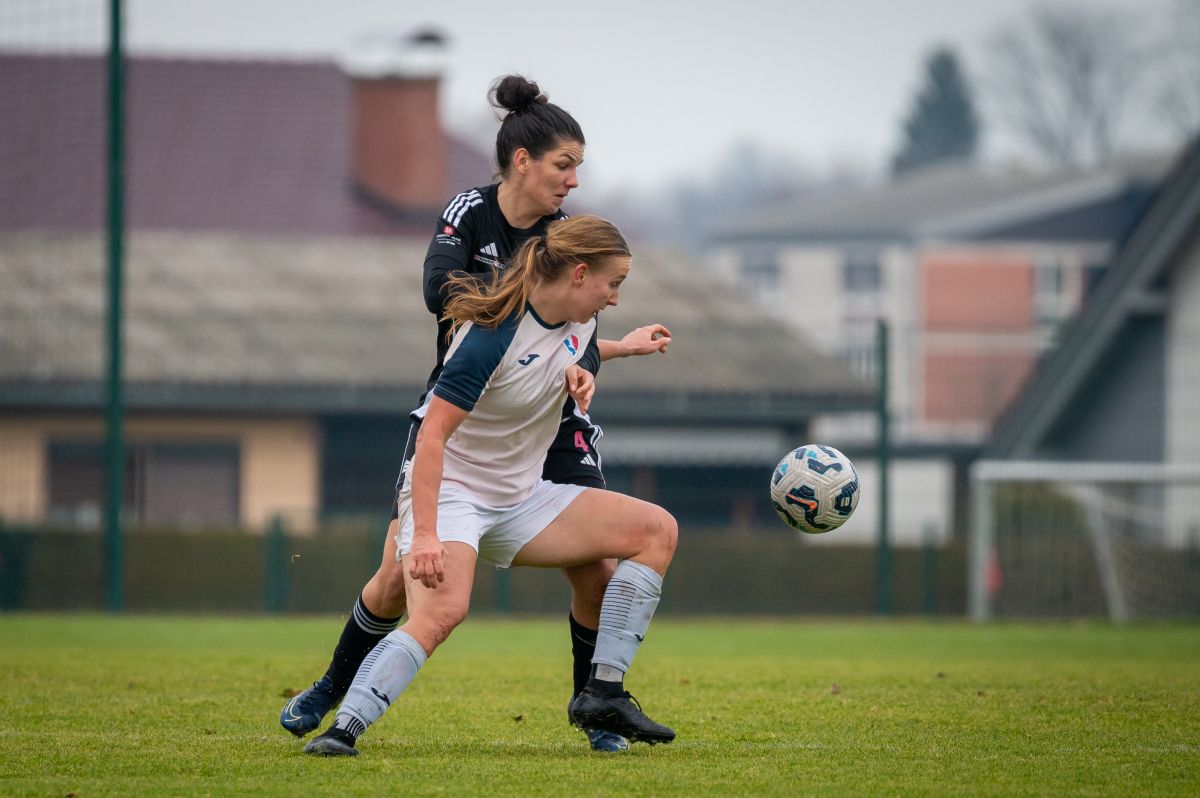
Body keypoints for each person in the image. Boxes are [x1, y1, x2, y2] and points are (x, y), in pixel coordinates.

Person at [280, 75, 671, 753]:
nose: (574, 180)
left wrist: (596, 357)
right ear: (522, 161)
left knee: (601, 568)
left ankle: (598, 706)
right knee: (400, 581)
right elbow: (441, 291)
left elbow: (570, 333)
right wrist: (511, 314)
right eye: (564, 165)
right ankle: (333, 693)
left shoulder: (567, 244)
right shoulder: (474, 220)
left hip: (540, 426)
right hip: (465, 419)